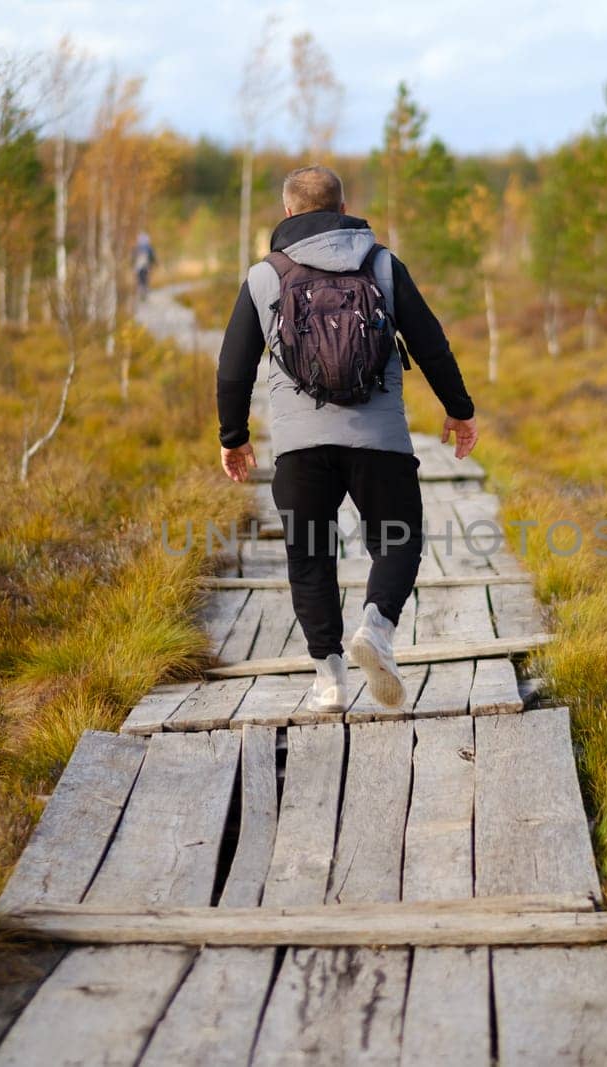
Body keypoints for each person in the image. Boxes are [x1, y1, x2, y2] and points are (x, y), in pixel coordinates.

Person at [216, 165, 479, 713]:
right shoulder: (381, 263)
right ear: (342, 206)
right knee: (399, 539)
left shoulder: (264, 275)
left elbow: (233, 368)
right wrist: (459, 410)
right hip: (379, 438)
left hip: (299, 446)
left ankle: (329, 678)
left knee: (310, 554)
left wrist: (234, 436)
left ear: (288, 212)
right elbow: (431, 343)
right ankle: (377, 627)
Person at [133, 231, 157, 300]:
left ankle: (141, 289)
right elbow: (153, 256)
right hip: (146, 266)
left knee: (140, 278)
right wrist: (155, 263)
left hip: (138, 266)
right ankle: (145, 289)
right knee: (146, 278)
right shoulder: (149, 247)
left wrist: (132, 264)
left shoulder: (137, 247)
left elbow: (133, 256)